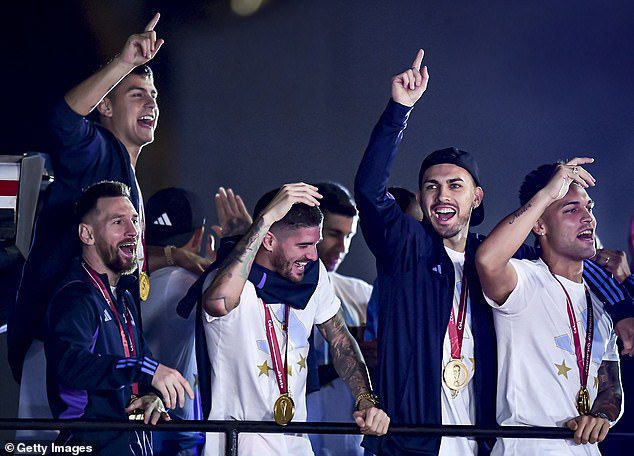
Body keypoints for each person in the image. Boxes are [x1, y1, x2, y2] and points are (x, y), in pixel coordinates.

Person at [10, 12, 208, 430]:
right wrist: (123, 61)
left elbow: (114, 253)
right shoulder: (97, 150)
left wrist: (169, 254)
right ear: (106, 104)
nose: (151, 102)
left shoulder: (125, 174)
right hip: (62, 348)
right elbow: (63, 121)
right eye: (136, 93)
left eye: (154, 95)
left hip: (101, 352)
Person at [354, 49, 497, 456]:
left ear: (476, 197)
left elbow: (560, 258)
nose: (441, 194)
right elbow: (368, 190)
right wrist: (399, 110)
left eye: (455, 185)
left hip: (483, 445)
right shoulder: (407, 247)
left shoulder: (495, 258)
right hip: (412, 446)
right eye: (431, 186)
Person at [201, 183, 390, 455]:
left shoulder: (312, 275)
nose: (313, 254)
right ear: (267, 239)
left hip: (296, 443)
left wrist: (365, 399)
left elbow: (339, 338)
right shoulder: (230, 283)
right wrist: (265, 220)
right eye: (303, 245)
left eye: (315, 243)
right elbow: (217, 302)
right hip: (242, 444)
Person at [476, 160, 623, 454]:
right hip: (527, 447)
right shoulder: (524, 280)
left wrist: (602, 416)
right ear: (539, 225)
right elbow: (487, 260)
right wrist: (546, 194)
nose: (588, 219)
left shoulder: (601, 303)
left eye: (589, 208)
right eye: (571, 209)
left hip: (586, 449)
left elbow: (610, 387)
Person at [45, 181, 194, 454]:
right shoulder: (76, 296)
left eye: (134, 220)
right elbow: (70, 365)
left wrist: (153, 397)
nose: (133, 231)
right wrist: (146, 369)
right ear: (86, 234)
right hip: (88, 444)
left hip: (130, 443)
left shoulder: (123, 297)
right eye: (117, 222)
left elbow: (142, 364)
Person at [307, 182, 373, 456]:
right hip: (293, 435)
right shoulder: (270, 290)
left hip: (349, 442)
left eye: (349, 236)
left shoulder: (361, 293)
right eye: (334, 234)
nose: (342, 247)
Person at [142, 187, 209, 455]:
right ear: (199, 235)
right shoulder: (187, 283)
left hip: (131, 419)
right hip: (172, 428)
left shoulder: (118, 279)